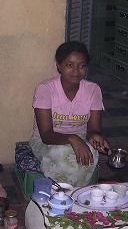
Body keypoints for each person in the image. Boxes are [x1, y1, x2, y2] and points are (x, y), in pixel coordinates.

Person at [30, 41, 110, 187]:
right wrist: (72, 138)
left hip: (80, 137)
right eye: (69, 65)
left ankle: (77, 197)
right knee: (62, 156)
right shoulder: (45, 89)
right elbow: (46, 135)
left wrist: (96, 137)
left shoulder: (93, 90)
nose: (76, 71)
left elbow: (93, 129)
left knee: (89, 153)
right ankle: (60, 197)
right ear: (59, 66)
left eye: (81, 66)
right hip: (46, 140)